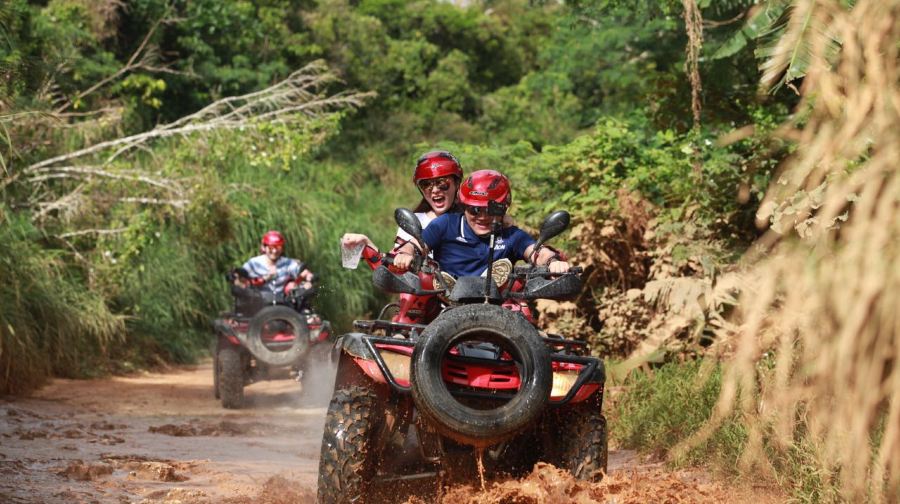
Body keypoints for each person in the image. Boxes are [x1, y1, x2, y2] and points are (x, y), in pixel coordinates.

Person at [392, 170, 570, 276]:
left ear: (504, 208)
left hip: (499, 310)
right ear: (464, 206)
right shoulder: (445, 224)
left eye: (492, 210)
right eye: (475, 210)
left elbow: (537, 252)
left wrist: (553, 262)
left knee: (525, 315)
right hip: (445, 305)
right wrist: (406, 254)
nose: (483, 217)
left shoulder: (512, 235)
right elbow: (415, 245)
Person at [341, 150, 464, 267]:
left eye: (442, 183)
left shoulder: (472, 220)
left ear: (457, 183)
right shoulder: (412, 221)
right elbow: (393, 268)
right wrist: (366, 244)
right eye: (426, 185)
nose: (435, 190)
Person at [241, 230, 315, 294]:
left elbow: (302, 271)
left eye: (278, 247)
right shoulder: (254, 263)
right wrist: (265, 278)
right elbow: (240, 279)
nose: (274, 251)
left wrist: (307, 278)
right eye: (271, 248)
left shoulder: (288, 263)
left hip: (284, 303)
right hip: (258, 303)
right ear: (264, 247)